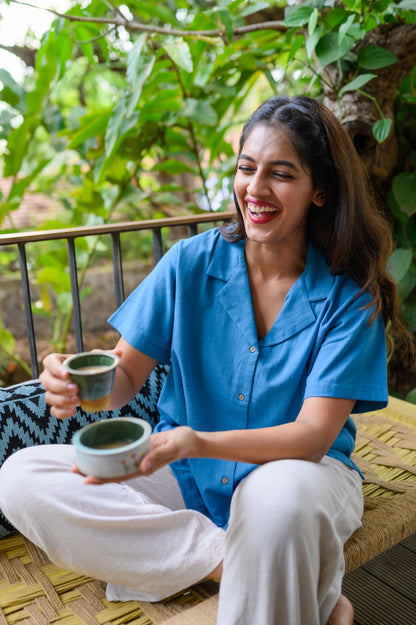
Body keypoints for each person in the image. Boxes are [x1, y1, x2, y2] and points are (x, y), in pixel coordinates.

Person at [0, 95, 409, 625]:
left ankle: (253, 559)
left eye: (281, 174)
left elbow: (310, 437)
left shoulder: (350, 296)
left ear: (320, 192)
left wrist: (197, 440)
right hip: (189, 474)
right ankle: (236, 562)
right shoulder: (189, 263)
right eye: (246, 168)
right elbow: (124, 377)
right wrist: (77, 383)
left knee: (276, 505)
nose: (255, 189)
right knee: (22, 475)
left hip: (299, 472)